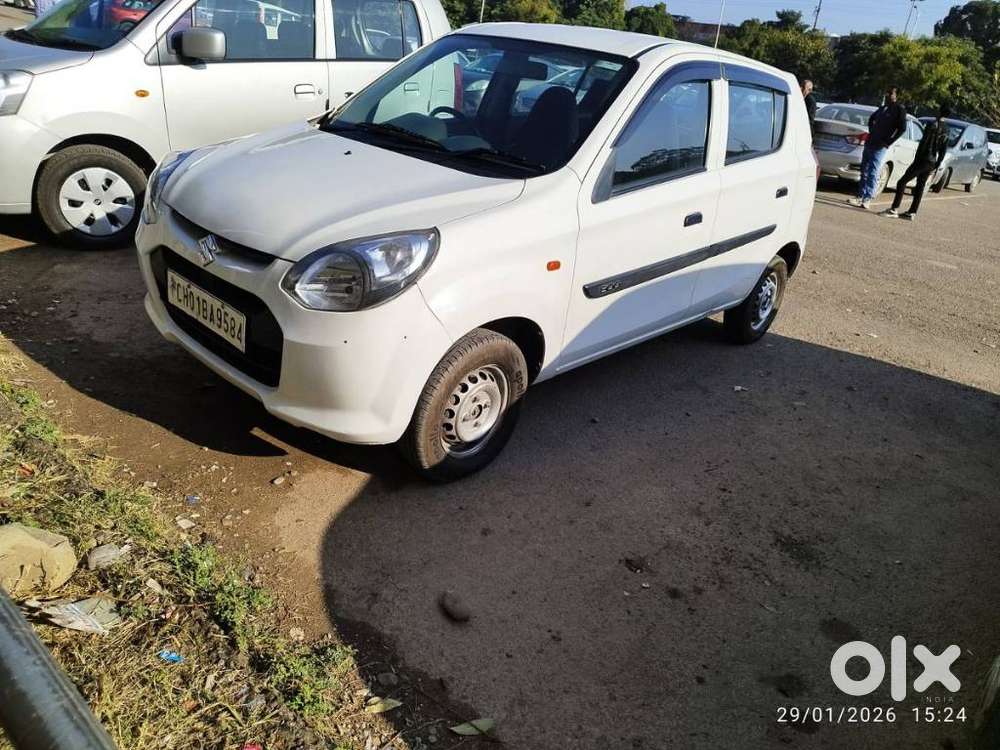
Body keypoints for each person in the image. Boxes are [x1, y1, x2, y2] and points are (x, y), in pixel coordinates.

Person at [880, 104, 951, 221]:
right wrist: (937, 164)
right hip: (932, 161)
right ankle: (912, 212)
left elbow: (925, 143)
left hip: (922, 159)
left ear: (940, 112)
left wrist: (917, 158)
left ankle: (894, 209)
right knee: (920, 186)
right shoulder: (946, 130)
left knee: (902, 182)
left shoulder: (932, 125)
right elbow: (943, 149)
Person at [848, 87, 907, 209]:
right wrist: (871, 132)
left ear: (896, 95)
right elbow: (872, 119)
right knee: (864, 170)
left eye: (890, 93)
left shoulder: (899, 110)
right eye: (887, 92)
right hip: (870, 142)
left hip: (880, 146)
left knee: (873, 172)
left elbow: (902, 128)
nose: (888, 95)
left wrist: (888, 141)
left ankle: (867, 198)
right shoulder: (883, 108)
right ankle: (860, 196)